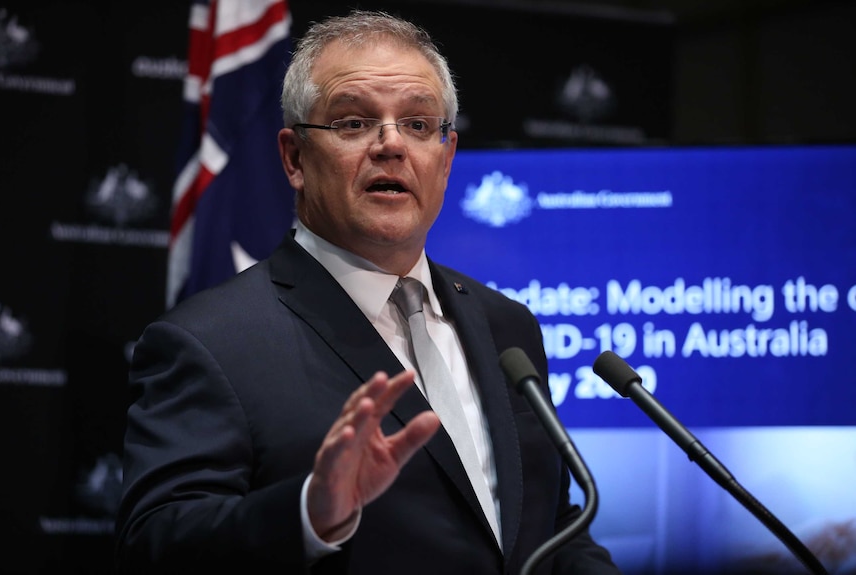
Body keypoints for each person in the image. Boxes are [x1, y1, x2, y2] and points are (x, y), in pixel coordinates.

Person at [115, 9, 621, 575]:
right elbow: (155, 545)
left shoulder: (507, 325)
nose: (391, 145)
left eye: (419, 124)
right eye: (353, 122)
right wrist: (311, 514)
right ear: (295, 158)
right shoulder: (210, 342)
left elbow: (547, 528)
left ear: (447, 158)